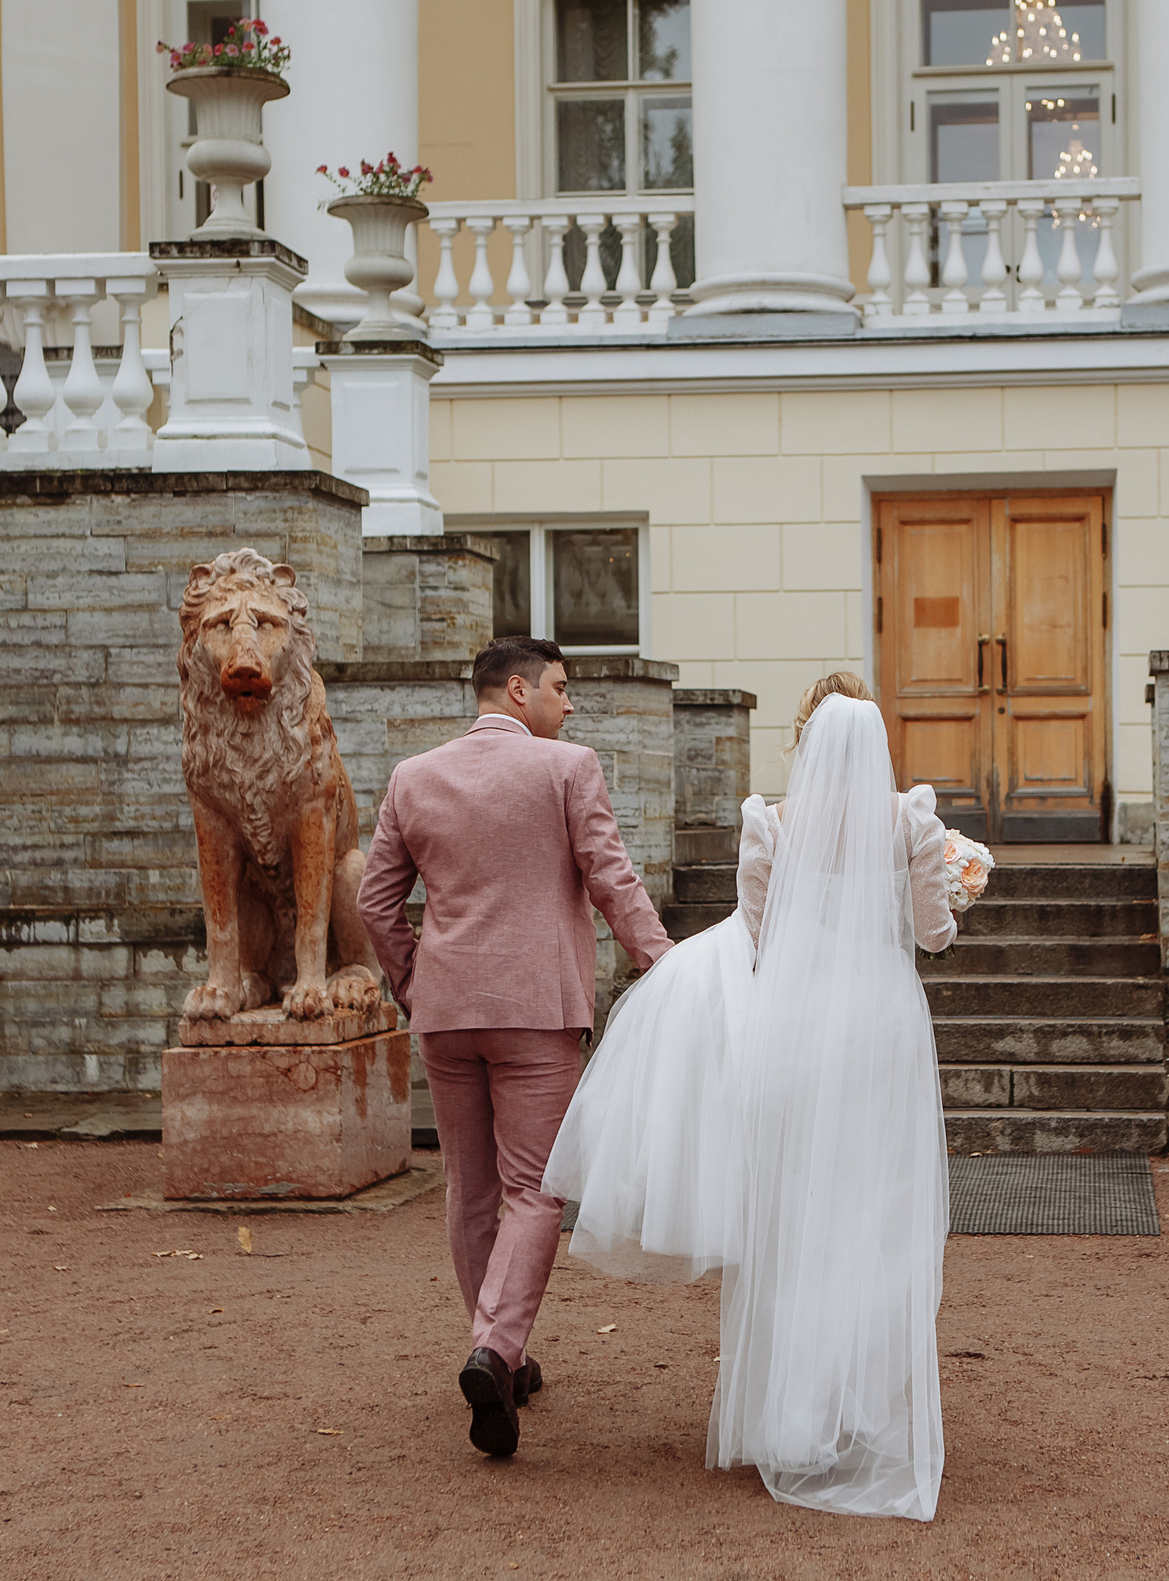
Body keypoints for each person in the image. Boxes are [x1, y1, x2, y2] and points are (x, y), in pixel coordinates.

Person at [546, 672, 959, 1520]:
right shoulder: (910, 816)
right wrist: (959, 887)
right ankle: (855, 1414)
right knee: (870, 1219)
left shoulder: (771, 821)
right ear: (877, 745)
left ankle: (789, 1417)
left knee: (794, 1219)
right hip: (882, 1029)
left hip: (796, 1028)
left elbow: (760, 933)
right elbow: (932, 932)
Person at [357, 636, 675, 1460]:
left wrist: (412, 983)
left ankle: (503, 1352)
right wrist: (667, 967)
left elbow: (375, 899)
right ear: (515, 689)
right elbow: (611, 878)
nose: (568, 704)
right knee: (534, 1189)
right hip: (536, 1009)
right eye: (560, 689)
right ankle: (495, 1351)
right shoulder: (567, 767)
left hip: (446, 1009)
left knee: (470, 1189)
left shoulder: (411, 776)